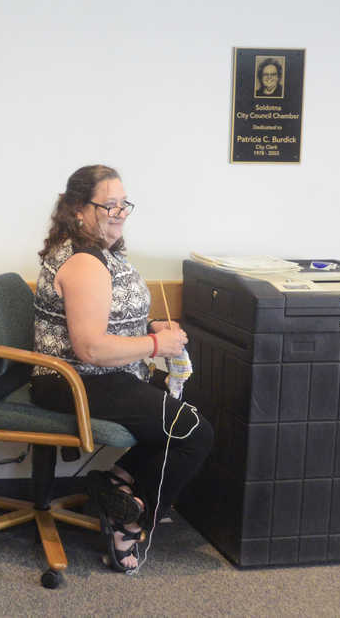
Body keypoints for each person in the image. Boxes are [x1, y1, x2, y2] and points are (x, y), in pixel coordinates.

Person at [30, 164, 213, 572]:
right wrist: (154, 344)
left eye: (123, 204)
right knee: (191, 431)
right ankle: (128, 518)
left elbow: (102, 316)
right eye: (107, 205)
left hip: (108, 373)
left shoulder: (101, 252)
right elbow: (91, 347)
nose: (119, 213)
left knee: (188, 404)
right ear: (78, 208)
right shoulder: (84, 263)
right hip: (77, 379)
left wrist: (149, 326)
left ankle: (120, 485)